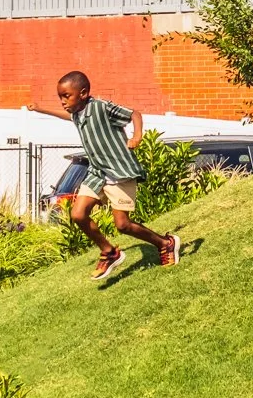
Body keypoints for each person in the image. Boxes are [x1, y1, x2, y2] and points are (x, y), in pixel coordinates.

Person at [54, 69, 182, 281]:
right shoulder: (77, 114)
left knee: (123, 225)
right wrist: (40, 109)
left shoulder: (101, 107)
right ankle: (109, 252)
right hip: (97, 172)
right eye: (60, 97)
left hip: (119, 172)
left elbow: (134, 114)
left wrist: (137, 136)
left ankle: (165, 243)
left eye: (66, 96)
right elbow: (67, 116)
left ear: (83, 93)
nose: (62, 101)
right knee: (78, 215)